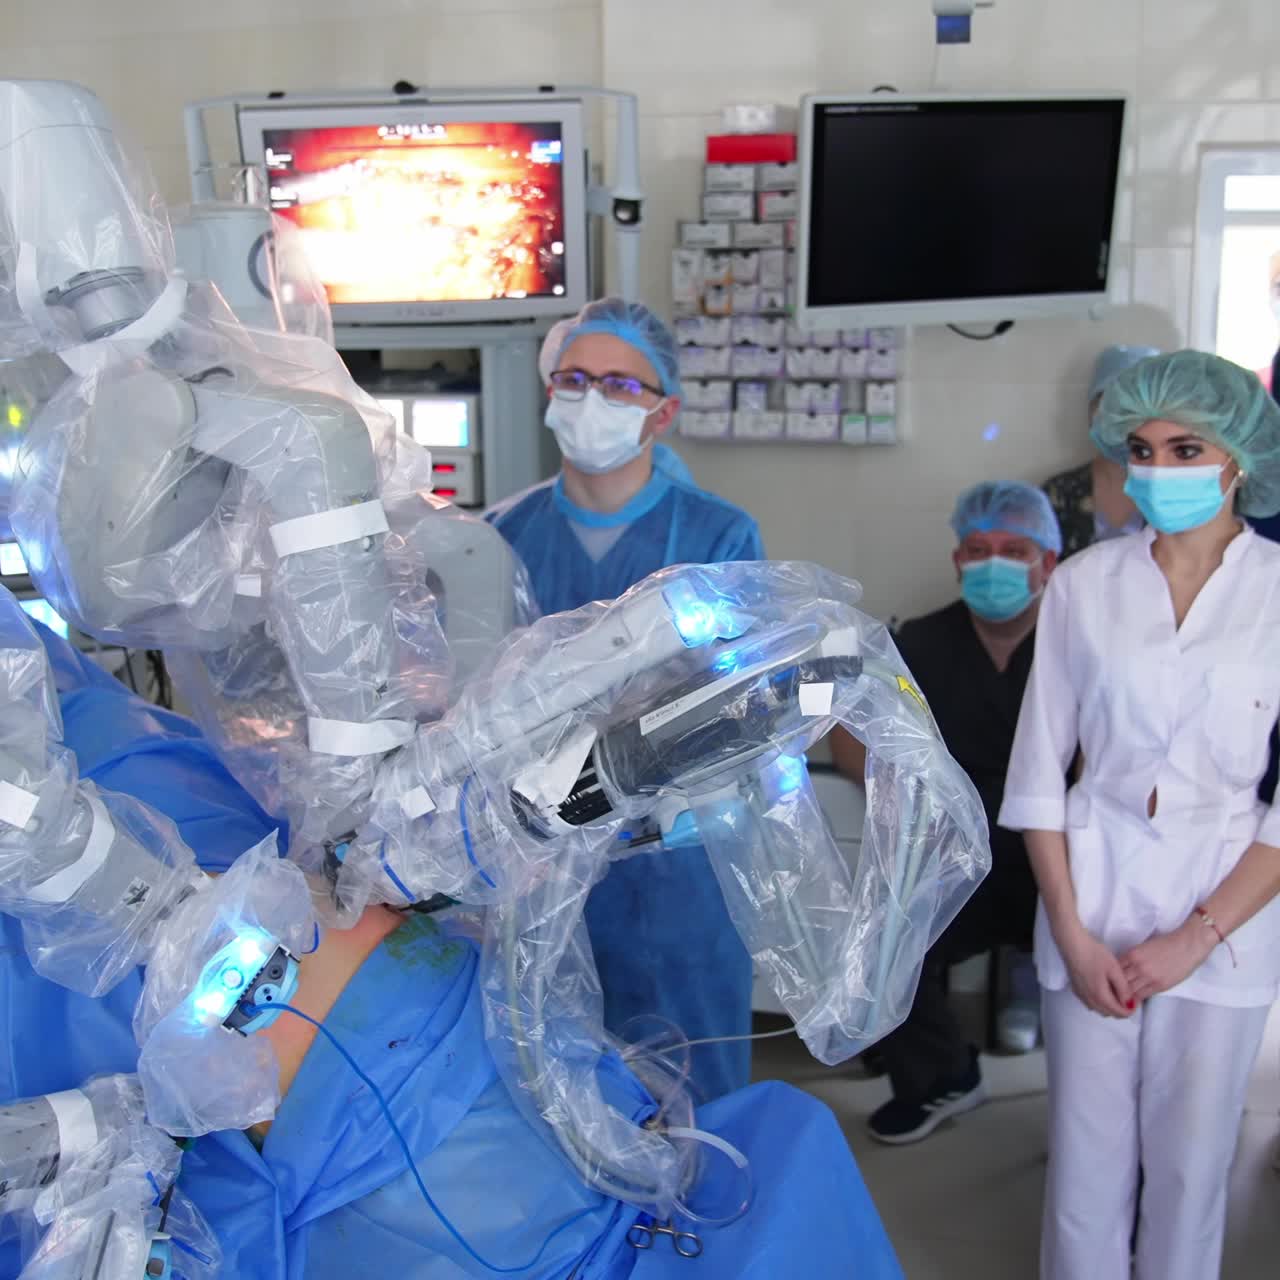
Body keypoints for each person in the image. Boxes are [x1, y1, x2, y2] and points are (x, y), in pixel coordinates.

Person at [999, 350, 1280, 1280]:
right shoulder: (1085, 584)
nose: (1159, 470)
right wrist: (1075, 938)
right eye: (1141, 449)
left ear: (1238, 457)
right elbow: (1040, 771)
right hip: (1094, 888)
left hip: (1227, 906)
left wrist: (1194, 939)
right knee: (1084, 1172)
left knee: (1192, 1174)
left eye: (1186, 447)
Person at [488, 298, 763, 1101]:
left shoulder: (717, 539)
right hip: (534, 861)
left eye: (619, 384)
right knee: (555, 1096)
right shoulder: (498, 535)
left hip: (674, 866)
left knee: (693, 1101)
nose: (591, 399)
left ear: (663, 412)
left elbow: (730, 709)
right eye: (574, 379)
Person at [830, 481, 1061, 1142]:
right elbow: (849, 731)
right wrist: (905, 789)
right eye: (979, 548)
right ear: (958, 560)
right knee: (884, 943)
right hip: (961, 858)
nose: (995, 563)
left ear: (1048, 562)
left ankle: (1091, 1115)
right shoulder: (921, 642)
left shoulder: (1079, 643)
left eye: (1015, 550)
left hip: (1061, 867)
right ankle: (943, 1077)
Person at [1043, 344, 1161, 560]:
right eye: (1108, 402)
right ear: (1091, 411)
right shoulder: (1059, 494)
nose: (1121, 418)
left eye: (1134, 406)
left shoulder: (1178, 492)